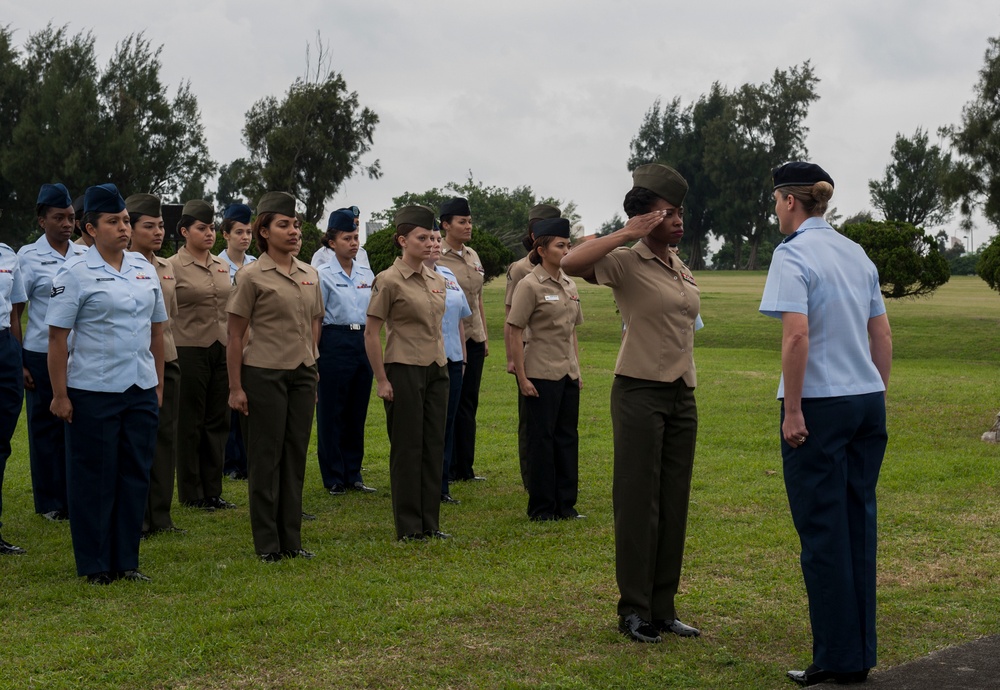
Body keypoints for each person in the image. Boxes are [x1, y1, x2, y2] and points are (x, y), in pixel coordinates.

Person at [759, 162, 892, 687]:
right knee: (859, 524)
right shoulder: (855, 252)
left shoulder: (792, 254)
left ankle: (836, 657)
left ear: (790, 201)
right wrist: (875, 389)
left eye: (775, 201)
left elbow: (796, 338)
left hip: (820, 404)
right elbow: (880, 334)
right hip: (865, 398)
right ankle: (857, 653)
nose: (775, 210)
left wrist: (793, 409)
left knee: (822, 530)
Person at [561, 163, 702, 644]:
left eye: (680, 212)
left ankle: (664, 607)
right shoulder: (625, 260)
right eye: (668, 213)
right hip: (639, 390)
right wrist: (625, 232)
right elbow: (571, 264)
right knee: (639, 501)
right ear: (646, 218)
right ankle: (634, 609)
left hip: (682, 391)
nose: (678, 220)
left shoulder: (678, 264)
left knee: (673, 501)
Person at [46, 183, 167, 583]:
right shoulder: (75, 273)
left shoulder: (143, 268)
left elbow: (156, 332)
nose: (123, 228)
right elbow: (57, 339)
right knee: (94, 478)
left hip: (139, 387)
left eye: (126, 221)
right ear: (90, 228)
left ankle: (126, 561)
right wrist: (60, 394)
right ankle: (96, 565)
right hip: (93, 390)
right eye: (113, 221)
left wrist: (158, 385)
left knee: (135, 474)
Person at [226, 191, 323, 562]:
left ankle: (291, 540)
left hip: (301, 374)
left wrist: (311, 368)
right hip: (263, 373)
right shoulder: (250, 276)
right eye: (284, 225)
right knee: (265, 460)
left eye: (296, 225)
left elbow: (314, 323)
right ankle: (268, 544)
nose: (294, 231)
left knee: (295, 456)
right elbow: (235, 335)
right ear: (263, 231)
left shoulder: (309, 273)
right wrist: (235, 387)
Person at [364, 205, 449, 541]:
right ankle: (409, 526)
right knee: (407, 448)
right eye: (422, 237)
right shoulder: (387, 280)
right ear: (402, 240)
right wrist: (382, 379)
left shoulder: (437, 278)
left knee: (433, 446)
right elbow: (371, 333)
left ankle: (431, 522)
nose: (430, 243)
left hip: (436, 369)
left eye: (432, 237)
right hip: (403, 369)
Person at [15, 183, 86, 523]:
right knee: (45, 428)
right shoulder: (28, 257)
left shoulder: (84, 254)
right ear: (42, 220)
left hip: (76, 354)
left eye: (71, 217)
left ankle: (73, 497)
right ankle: (49, 502)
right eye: (58, 217)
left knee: (75, 426)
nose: (67, 224)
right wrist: (19, 361)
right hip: (40, 352)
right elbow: (16, 308)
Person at [507, 217, 584, 521]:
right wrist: (522, 377)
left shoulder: (570, 283)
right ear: (541, 249)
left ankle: (566, 505)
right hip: (539, 372)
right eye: (560, 245)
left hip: (567, 373)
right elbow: (514, 331)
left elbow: (572, 332)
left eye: (568, 245)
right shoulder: (530, 284)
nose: (567, 250)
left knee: (567, 438)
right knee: (541, 442)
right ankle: (541, 508)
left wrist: (577, 370)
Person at [169, 200, 234, 511]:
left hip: (221, 346)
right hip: (188, 347)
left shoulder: (222, 266)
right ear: (184, 231)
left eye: (211, 228)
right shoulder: (170, 266)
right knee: (190, 422)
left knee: (217, 420)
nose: (209, 233)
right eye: (202, 228)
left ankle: (213, 489)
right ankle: (192, 492)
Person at [126, 193, 184, 538]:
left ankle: (160, 515)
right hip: (133, 361)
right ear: (130, 230)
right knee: (136, 441)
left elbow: (169, 317)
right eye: (149, 226)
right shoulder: (122, 265)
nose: (158, 232)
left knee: (166, 438)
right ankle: (138, 516)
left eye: (161, 225)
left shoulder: (166, 267)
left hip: (167, 356)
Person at [315, 207, 377, 496]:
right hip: (334, 340)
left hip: (362, 340)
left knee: (356, 410)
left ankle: (354, 473)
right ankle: (334, 476)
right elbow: (317, 317)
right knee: (332, 410)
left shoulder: (366, 272)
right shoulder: (322, 274)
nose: (354, 243)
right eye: (347, 238)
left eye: (356, 237)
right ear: (331, 242)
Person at [504, 203, 562, 490]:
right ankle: (532, 478)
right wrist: (512, 359)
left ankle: (552, 478)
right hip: (527, 347)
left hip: (553, 350)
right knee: (531, 423)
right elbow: (510, 317)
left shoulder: (560, 266)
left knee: (557, 425)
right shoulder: (521, 270)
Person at [437, 197, 488, 482]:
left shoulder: (473, 255)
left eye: (469, 221)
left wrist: (484, 338)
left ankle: (465, 468)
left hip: (474, 337)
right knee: (449, 404)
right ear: (446, 225)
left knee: (469, 403)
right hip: (449, 339)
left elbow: (477, 299)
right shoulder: (436, 255)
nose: (468, 226)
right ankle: (450, 465)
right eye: (462, 222)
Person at [424, 225, 471, 505]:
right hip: (426, 360)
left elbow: (459, 320)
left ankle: (441, 484)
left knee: (448, 423)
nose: (433, 244)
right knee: (428, 425)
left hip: (453, 359)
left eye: (437, 239)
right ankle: (424, 482)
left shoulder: (449, 275)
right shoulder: (411, 278)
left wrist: (463, 358)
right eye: (428, 239)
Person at [218, 202, 256, 481]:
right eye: (239, 232)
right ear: (225, 235)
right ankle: (230, 462)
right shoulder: (217, 265)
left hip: (254, 341)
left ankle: (247, 459)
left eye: (249, 232)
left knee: (250, 402)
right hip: (227, 338)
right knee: (229, 403)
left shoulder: (256, 265)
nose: (245, 237)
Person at [0, 218, 27, 556]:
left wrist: (17, 360)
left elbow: (17, 314)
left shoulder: (7, 255)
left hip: (5, 347)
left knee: (1, 443)